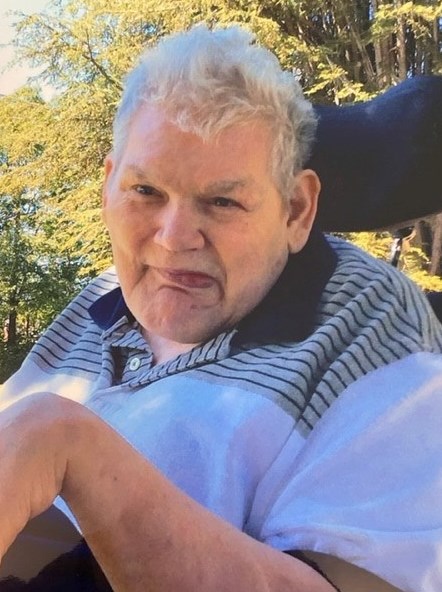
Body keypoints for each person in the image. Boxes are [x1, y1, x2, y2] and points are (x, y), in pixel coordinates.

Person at [1, 24, 442, 592]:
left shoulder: (374, 328)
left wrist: (70, 447)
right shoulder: (97, 300)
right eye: (145, 191)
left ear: (296, 210)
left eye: (222, 201)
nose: (172, 239)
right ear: (109, 185)